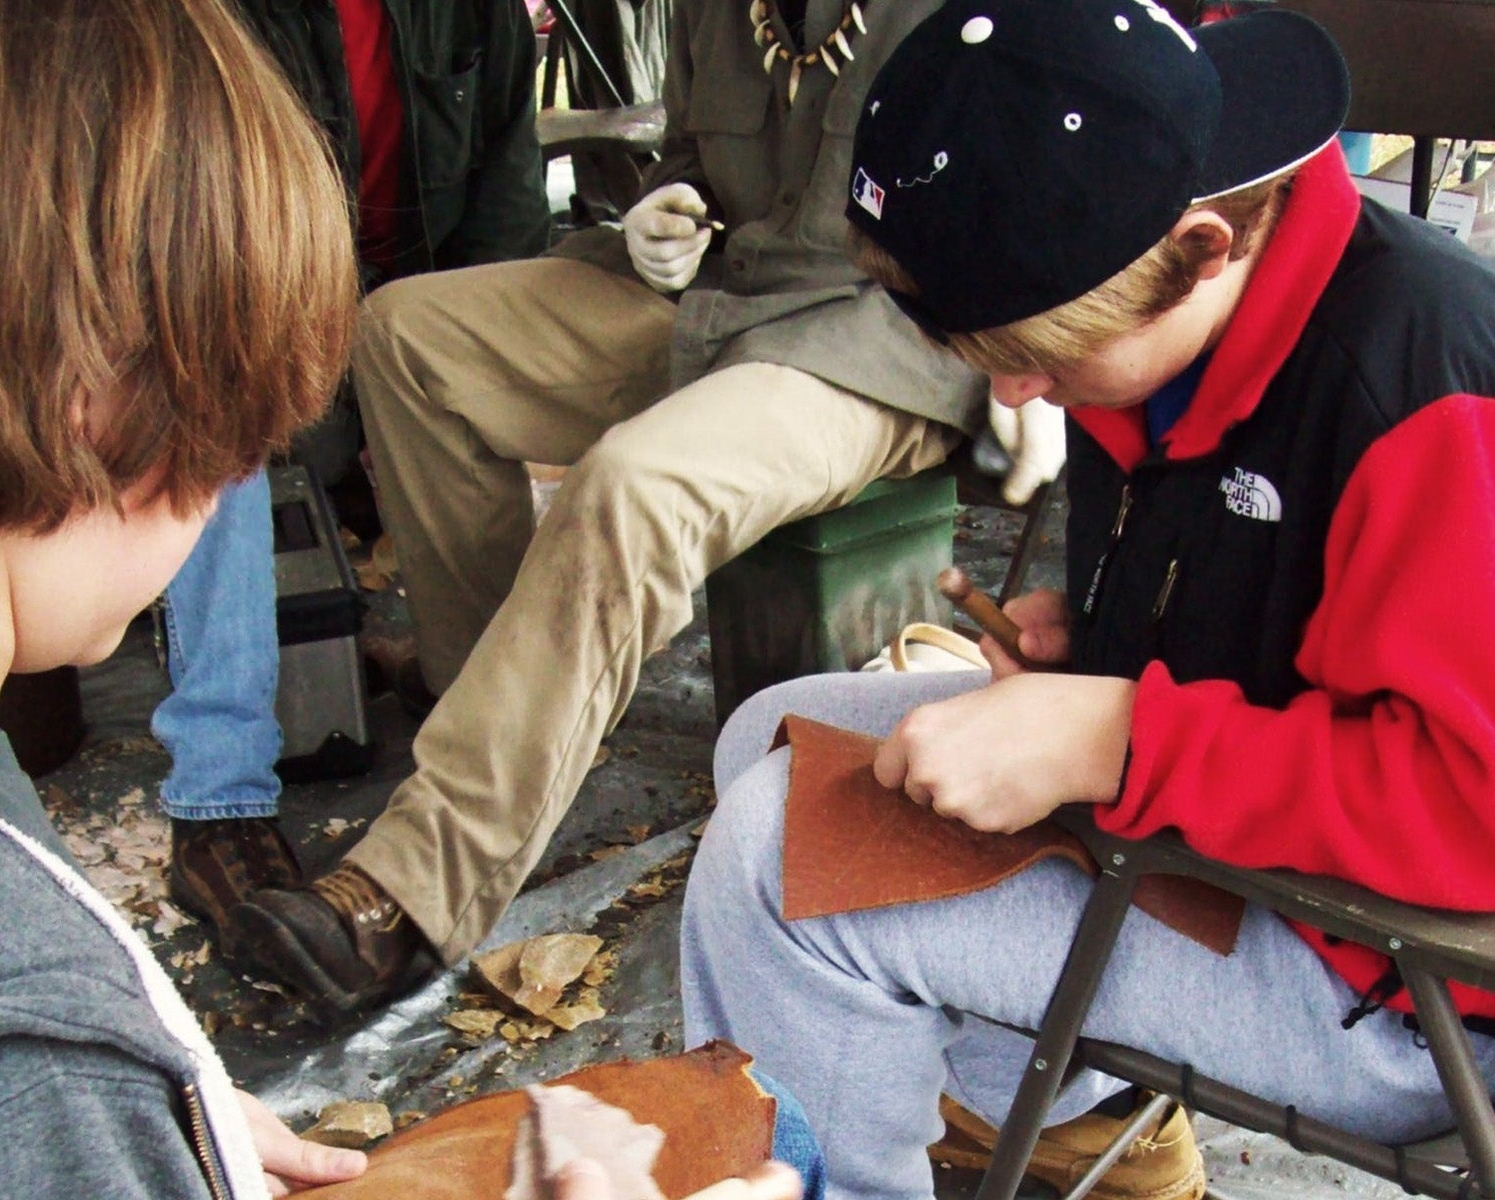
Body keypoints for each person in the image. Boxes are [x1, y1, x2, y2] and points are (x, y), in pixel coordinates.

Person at [677, 3, 1495, 1199]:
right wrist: (1108, 638)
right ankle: (1067, 1124)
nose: (1024, 391)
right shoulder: (1155, 317)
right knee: (769, 732)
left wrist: (1117, 731)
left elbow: (1494, 823)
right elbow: (1285, 603)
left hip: (1416, 984)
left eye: (1044, 350)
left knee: (771, 868)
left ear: (1199, 247)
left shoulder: (1441, 404)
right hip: (1246, 854)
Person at [231, 0, 987, 1019]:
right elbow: (698, 167)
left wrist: (1033, 355)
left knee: (635, 485)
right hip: (722, 302)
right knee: (407, 335)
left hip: (880, 342)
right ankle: (494, 695)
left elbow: (1067, 184)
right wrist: (667, 207)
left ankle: (416, 890)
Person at [0, 0, 368, 1194]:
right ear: (102, 387)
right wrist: (85, 1130)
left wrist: (145, 1138)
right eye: (240, 432)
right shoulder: (7, 1074)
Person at [153, 0, 554, 950]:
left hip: (402, 309)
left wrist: (454, 365)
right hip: (258, 308)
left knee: (475, 369)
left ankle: (472, 687)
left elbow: (504, 203)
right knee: (210, 398)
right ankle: (219, 800)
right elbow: (189, 231)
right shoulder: (213, 17)